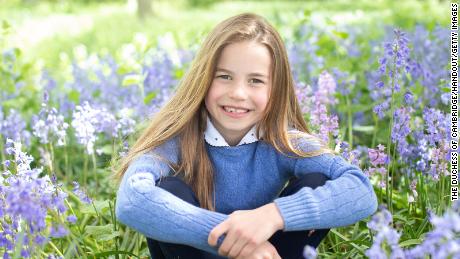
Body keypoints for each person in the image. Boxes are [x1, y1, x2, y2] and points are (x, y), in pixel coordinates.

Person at [114, 13, 378, 259]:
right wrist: (236, 239)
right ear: (203, 79)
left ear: (275, 89)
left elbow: (362, 191)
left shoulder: (284, 141)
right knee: (169, 190)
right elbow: (131, 200)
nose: (238, 93)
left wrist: (272, 216)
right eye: (225, 76)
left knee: (318, 181)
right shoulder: (176, 140)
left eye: (256, 81)